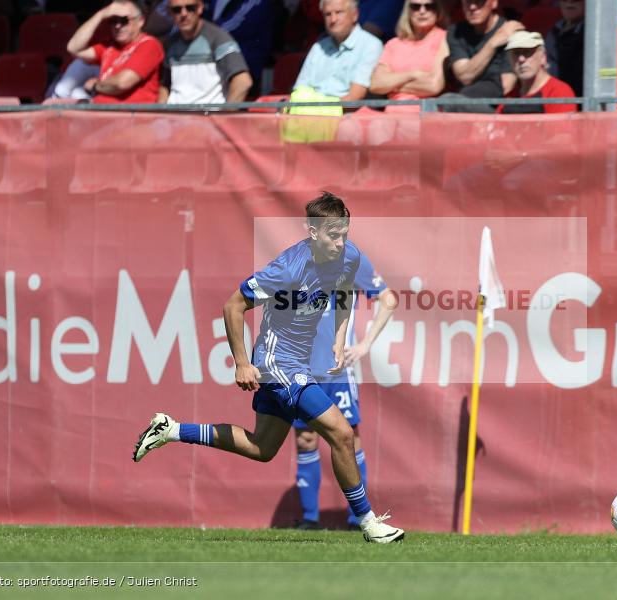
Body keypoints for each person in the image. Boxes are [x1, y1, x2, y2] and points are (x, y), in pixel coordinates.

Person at [132, 191, 405, 545]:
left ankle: (171, 429)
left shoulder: (348, 256)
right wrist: (242, 363)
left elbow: (346, 293)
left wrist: (339, 337)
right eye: (333, 235)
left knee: (262, 448)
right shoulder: (287, 267)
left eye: (344, 234)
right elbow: (233, 306)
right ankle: (369, 524)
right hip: (278, 363)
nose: (340, 243)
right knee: (341, 433)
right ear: (312, 232)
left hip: (297, 361)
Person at [292, 253, 397, 530]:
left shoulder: (354, 262)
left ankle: (357, 519)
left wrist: (365, 345)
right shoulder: (297, 261)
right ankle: (310, 519)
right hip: (301, 367)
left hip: (337, 370)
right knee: (304, 438)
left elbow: (388, 299)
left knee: (349, 438)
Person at [66, 0, 165, 104]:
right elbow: (74, 48)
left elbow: (122, 83)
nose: (118, 26)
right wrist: (101, 14)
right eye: (113, 21)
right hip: (103, 114)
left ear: (140, 21)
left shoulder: (149, 44)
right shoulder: (109, 46)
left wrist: (95, 86)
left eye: (124, 20)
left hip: (131, 116)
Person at [159, 0, 253, 104]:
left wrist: (226, 115)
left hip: (208, 117)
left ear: (200, 8)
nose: (184, 14)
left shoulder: (219, 38)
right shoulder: (170, 44)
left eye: (190, 8)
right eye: (176, 10)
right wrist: (160, 115)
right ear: (169, 12)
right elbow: (165, 86)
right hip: (174, 117)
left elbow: (243, 81)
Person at [441, 0, 524, 112]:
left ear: (494, 3)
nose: (473, 7)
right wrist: (492, 44)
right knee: (447, 103)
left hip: (498, 110)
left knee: (448, 102)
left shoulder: (510, 31)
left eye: (479, 2)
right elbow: (465, 76)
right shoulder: (456, 32)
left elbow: (506, 85)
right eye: (467, 2)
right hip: (462, 105)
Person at [294, 0, 383, 101]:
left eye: (339, 12)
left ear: (355, 15)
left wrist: (318, 109)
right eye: (328, 14)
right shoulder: (318, 47)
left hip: (347, 115)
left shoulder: (370, 45)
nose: (333, 19)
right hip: (309, 112)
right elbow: (299, 90)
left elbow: (354, 99)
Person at [369, 0, 449, 112]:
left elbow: (433, 86)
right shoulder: (394, 44)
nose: (422, 11)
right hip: (391, 116)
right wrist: (413, 74)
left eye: (429, 6)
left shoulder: (444, 38)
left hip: (426, 116)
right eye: (416, 6)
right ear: (408, 11)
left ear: (438, 10)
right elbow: (375, 84)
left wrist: (392, 86)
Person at [206, 0, 276, 97]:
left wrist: (197, 33)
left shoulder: (256, 2)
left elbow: (229, 26)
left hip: (245, 67)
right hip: (214, 66)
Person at [498, 29, 577, 113]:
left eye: (527, 52)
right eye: (515, 53)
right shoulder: (510, 98)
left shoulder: (560, 92)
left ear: (543, 57)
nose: (521, 59)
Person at [546, 0, 584, 97]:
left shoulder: (593, 34)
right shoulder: (555, 30)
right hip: (552, 97)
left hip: (579, 101)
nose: (569, 2)